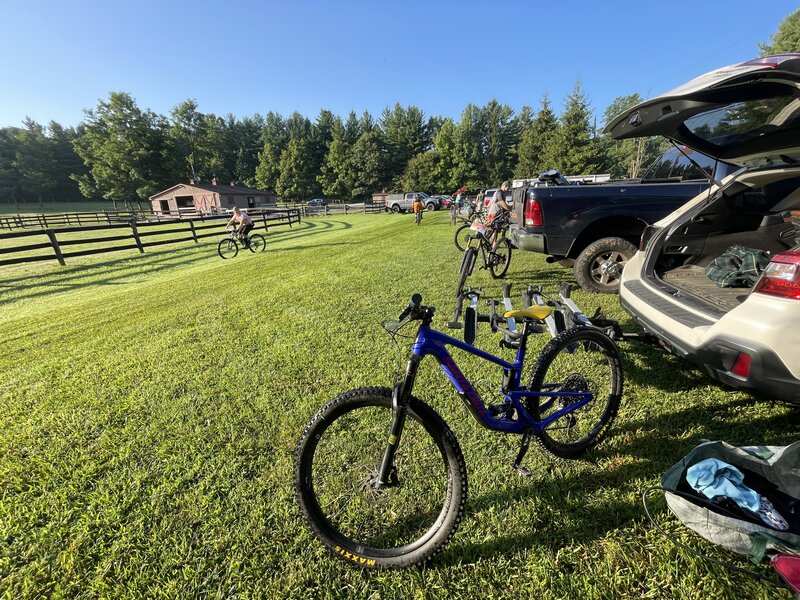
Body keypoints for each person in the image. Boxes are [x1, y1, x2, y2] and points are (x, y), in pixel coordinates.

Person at [485, 181, 512, 250]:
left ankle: (494, 243)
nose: (509, 189)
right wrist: (510, 209)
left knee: (495, 229)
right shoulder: (499, 192)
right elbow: (501, 202)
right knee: (493, 228)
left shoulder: (502, 192)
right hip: (493, 212)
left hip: (497, 213)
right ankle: (491, 243)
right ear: (505, 186)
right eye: (508, 187)